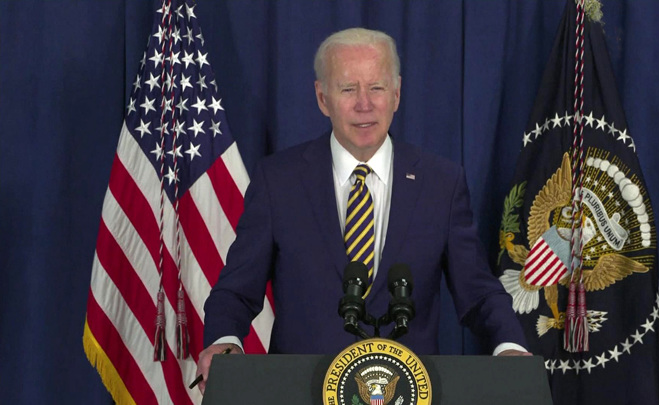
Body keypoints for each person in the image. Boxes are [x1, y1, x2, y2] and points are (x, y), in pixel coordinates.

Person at [195, 27, 529, 393]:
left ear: (396, 94)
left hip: (407, 392)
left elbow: (478, 291)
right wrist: (224, 340)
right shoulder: (278, 181)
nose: (364, 104)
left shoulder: (441, 183)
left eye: (377, 88)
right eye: (348, 89)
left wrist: (509, 346)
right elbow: (236, 290)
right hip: (303, 391)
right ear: (322, 98)